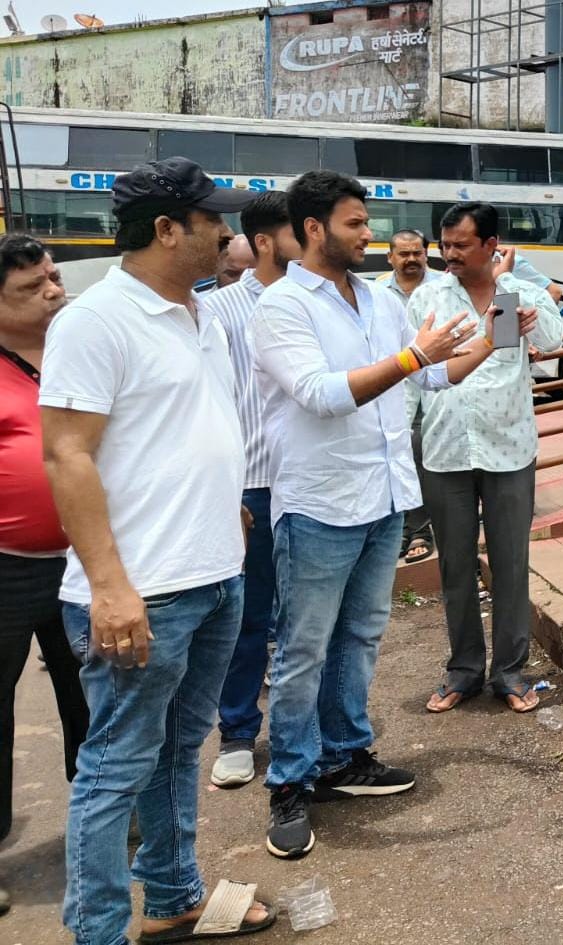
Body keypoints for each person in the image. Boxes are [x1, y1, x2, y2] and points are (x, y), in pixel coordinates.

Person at [39, 157, 275, 944]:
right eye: (214, 220)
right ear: (168, 229)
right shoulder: (96, 321)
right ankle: (98, 930)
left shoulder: (198, 312)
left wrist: (225, 505)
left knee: (177, 751)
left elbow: (178, 430)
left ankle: (173, 896)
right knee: (114, 769)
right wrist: (109, 586)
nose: (229, 234)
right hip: (142, 591)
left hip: (213, 575)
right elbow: (67, 454)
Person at [252, 172, 508, 860]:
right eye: (356, 224)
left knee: (361, 637)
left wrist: (492, 337)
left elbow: (431, 375)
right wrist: (413, 355)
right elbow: (320, 393)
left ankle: (344, 755)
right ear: (314, 229)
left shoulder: (375, 300)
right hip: (320, 502)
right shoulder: (282, 306)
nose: (369, 235)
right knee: (304, 648)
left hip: (385, 496)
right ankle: (291, 780)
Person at [407, 202, 562, 714]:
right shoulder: (429, 296)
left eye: (461, 245)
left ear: (491, 245)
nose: (449, 254)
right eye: (445, 245)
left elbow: (553, 341)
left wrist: (529, 318)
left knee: (511, 564)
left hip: (509, 446)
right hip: (446, 447)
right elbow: (413, 374)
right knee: (455, 565)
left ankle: (510, 672)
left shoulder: (517, 293)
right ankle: (464, 670)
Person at [0, 235, 89, 919]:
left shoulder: (74, 352)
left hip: (82, 560)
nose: (54, 291)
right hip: (6, 568)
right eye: (33, 287)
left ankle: (98, 820)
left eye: (53, 277)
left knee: (92, 693)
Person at [203, 192, 301, 790]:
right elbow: (207, 401)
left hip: (312, 484)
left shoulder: (316, 299)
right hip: (255, 487)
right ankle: (237, 731)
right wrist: (226, 489)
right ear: (265, 241)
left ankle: (302, 732)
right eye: (297, 231)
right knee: (248, 616)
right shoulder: (219, 312)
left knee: (307, 621)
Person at [377, 228, 443, 565]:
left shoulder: (444, 287)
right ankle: (408, 528)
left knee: (426, 457)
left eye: (417, 252)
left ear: (426, 254)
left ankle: (422, 528)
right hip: (395, 388)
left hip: (437, 386)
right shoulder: (376, 292)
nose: (411, 259)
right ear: (390, 257)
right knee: (399, 456)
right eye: (403, 254)